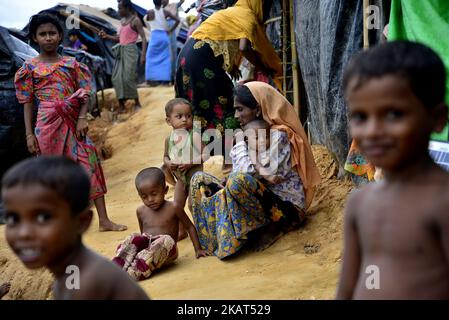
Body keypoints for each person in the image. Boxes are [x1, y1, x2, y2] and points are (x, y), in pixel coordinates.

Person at [336, 41, 449, 299]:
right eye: (360, 117)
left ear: (438, 118)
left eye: (394, 114)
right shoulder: (359, 202)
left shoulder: (442, 202)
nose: (373, 131)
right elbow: (347, 285)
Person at [14, 13, 126, 232]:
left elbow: (84, 93)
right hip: (46, 125)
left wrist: (83, 118)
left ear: (60, 36)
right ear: (35, 38)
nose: (48, 38)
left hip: (74, 121)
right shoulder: (29, 68)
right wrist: (29, 134)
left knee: (90, 163)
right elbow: (27, 102)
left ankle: (104, 221)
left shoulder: (72, 64)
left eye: (52, 33)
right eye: (42, 34)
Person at [189, 81, 321, 259]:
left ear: (258, 110)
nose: (236, 115)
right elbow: (241, 173)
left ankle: (265, 230)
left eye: (240, 109)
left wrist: (241, 144)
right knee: (199, 180)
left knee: (237, 181)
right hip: (259, 200)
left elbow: (247, 173)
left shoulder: (279, 135)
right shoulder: (248, 134)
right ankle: (212, 242)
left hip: (285, 211)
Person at [1, 157, 149, 300]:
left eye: (43, 218)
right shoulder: (71, 276)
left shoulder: (85, 283)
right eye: (13, 219)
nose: (24, 233)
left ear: (82, 222)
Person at [175, 0, 280, 168]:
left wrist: (233, 67)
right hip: (200, 60)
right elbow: (244, 47)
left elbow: (221, 42)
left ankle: (197, 156)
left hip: (186, 57)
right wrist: (264, 67)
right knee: (228, 104)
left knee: (197, 107)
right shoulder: (247, 16)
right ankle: (228, 158)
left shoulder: (231, 12)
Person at [112, 167, 209, 280]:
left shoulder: (174, 207)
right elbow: (143, 235)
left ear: (165, 190)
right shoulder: (140, 211)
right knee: (134, 237)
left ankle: (134, 272)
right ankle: (117, 267)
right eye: (144, 196)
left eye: (154, 194)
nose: (150, 199)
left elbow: (190, 227)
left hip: (167, 252)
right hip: (147, 252)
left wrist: (198, 249)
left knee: (166, 239)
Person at [161, 98, 205, 240]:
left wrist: (190, 163)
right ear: (169, 121)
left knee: (194, 205)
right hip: (181, 179)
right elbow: (165, 157)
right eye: (179, 116)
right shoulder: (169, 139)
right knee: (177, 207)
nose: (185, 119)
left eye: (188, 116)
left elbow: (205, 155)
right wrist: (168, 164)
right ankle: (181, 230)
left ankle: (202, 230)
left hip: (195, 178)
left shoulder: (195, 136)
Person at [99, 0, 147, 113]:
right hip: (121, 51)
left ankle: (137, 103)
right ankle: (121, 105)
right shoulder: (122, 21)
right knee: (116, 78)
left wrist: (143, 55)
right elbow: (119, 38)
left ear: (127, 8)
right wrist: (107, 36)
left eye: (120, 8)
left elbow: (144, 38)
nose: (118, 11)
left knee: (128, 77)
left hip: (130, 51)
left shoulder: (135, 20)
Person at [145, 0, 180, 86]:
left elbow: (147, 20)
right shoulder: (165, 12)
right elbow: (178, 20)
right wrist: (171, 30)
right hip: (164, 36)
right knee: (165, 58)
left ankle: (151, 80)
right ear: (161, 2)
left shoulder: (150, 12)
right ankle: (165, 81)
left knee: (150, 58)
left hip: (155, 36)